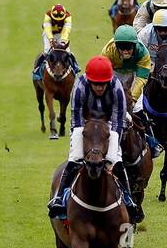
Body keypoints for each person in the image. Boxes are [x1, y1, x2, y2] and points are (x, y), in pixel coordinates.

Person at [47, 55, 144, 223]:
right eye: (96, 84)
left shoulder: (116, 87)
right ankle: (59, 197)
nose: (99, 88)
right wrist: (80, 141)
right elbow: (76, 118)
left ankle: (128, 200)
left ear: (108, 80)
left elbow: (118, 121)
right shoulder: (80, 85)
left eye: (102, 84)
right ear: (89, 80)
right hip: (84, 123)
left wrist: (111, 148)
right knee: (75, 157)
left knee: (116, 159)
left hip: (110, 124)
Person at [102, 24, 151, 109]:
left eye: (128, 47)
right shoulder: (108, 50)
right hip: (114, 72)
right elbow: (103, 74)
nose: (125, 51)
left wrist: (133, 99)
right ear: (116, 46)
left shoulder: (143, 52)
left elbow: (141, 78)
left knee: (138, 107)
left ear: (134, 46)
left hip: (135, 73)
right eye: (122, 48)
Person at [33, 4, 78, 78]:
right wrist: (51, 40)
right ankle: (37, 70)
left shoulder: (68, 16)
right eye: (55, 19)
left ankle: (75, 67)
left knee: (67, 51)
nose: (57, 21)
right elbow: (47, 28)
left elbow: (66, 30)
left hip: (61, 34)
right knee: (47, 51)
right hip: (49, 33)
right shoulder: (47, 15)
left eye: (59, 20)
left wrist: (63, 41)